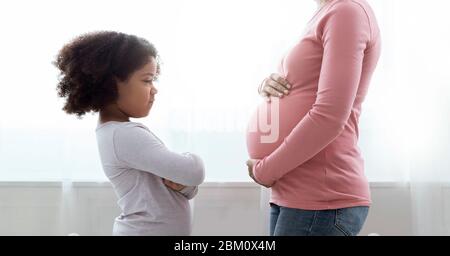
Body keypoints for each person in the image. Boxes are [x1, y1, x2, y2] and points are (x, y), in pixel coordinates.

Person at [246, 0, 381, 236]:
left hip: (321, 198)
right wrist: (267, 86)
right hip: (296, 194)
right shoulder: (325, 13)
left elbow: (330, 115)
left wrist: (265, 170)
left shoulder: (347, 11)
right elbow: (304, 86)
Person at [54, 31, 205, 235]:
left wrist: (185, 187)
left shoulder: (114, 133)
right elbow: (194, 171)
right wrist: (192, 160)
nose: (154, 89)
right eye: (147, 80)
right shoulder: (124, 135)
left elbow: (175, 183)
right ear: (112, 84)